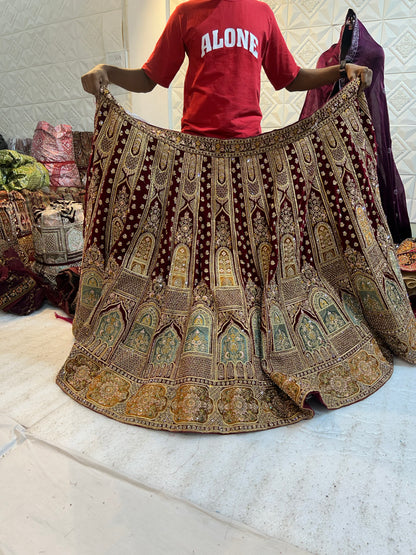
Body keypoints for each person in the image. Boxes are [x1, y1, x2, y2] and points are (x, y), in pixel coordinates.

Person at [81, 0, 373, 139]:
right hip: (196, 145)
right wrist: (108, 72)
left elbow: (292, 78)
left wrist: (343, 70)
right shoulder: (185, 14)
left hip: (248, 146)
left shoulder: (262, 14)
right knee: (196, 238)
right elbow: (148, 79)